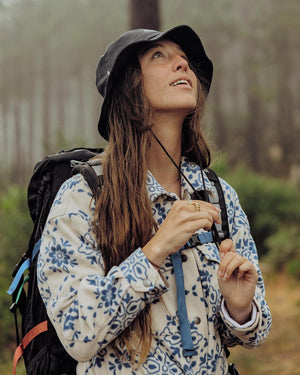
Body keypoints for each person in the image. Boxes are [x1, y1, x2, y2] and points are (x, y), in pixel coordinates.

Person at [37, 25, 272, 374]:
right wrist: (155, 250)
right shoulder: (84, 197)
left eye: (184, 59)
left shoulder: (216, 194)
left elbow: (255, 332)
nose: (182, 65)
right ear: (128, 89)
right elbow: (78, 332)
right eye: (159, 56)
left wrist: (240, 309)